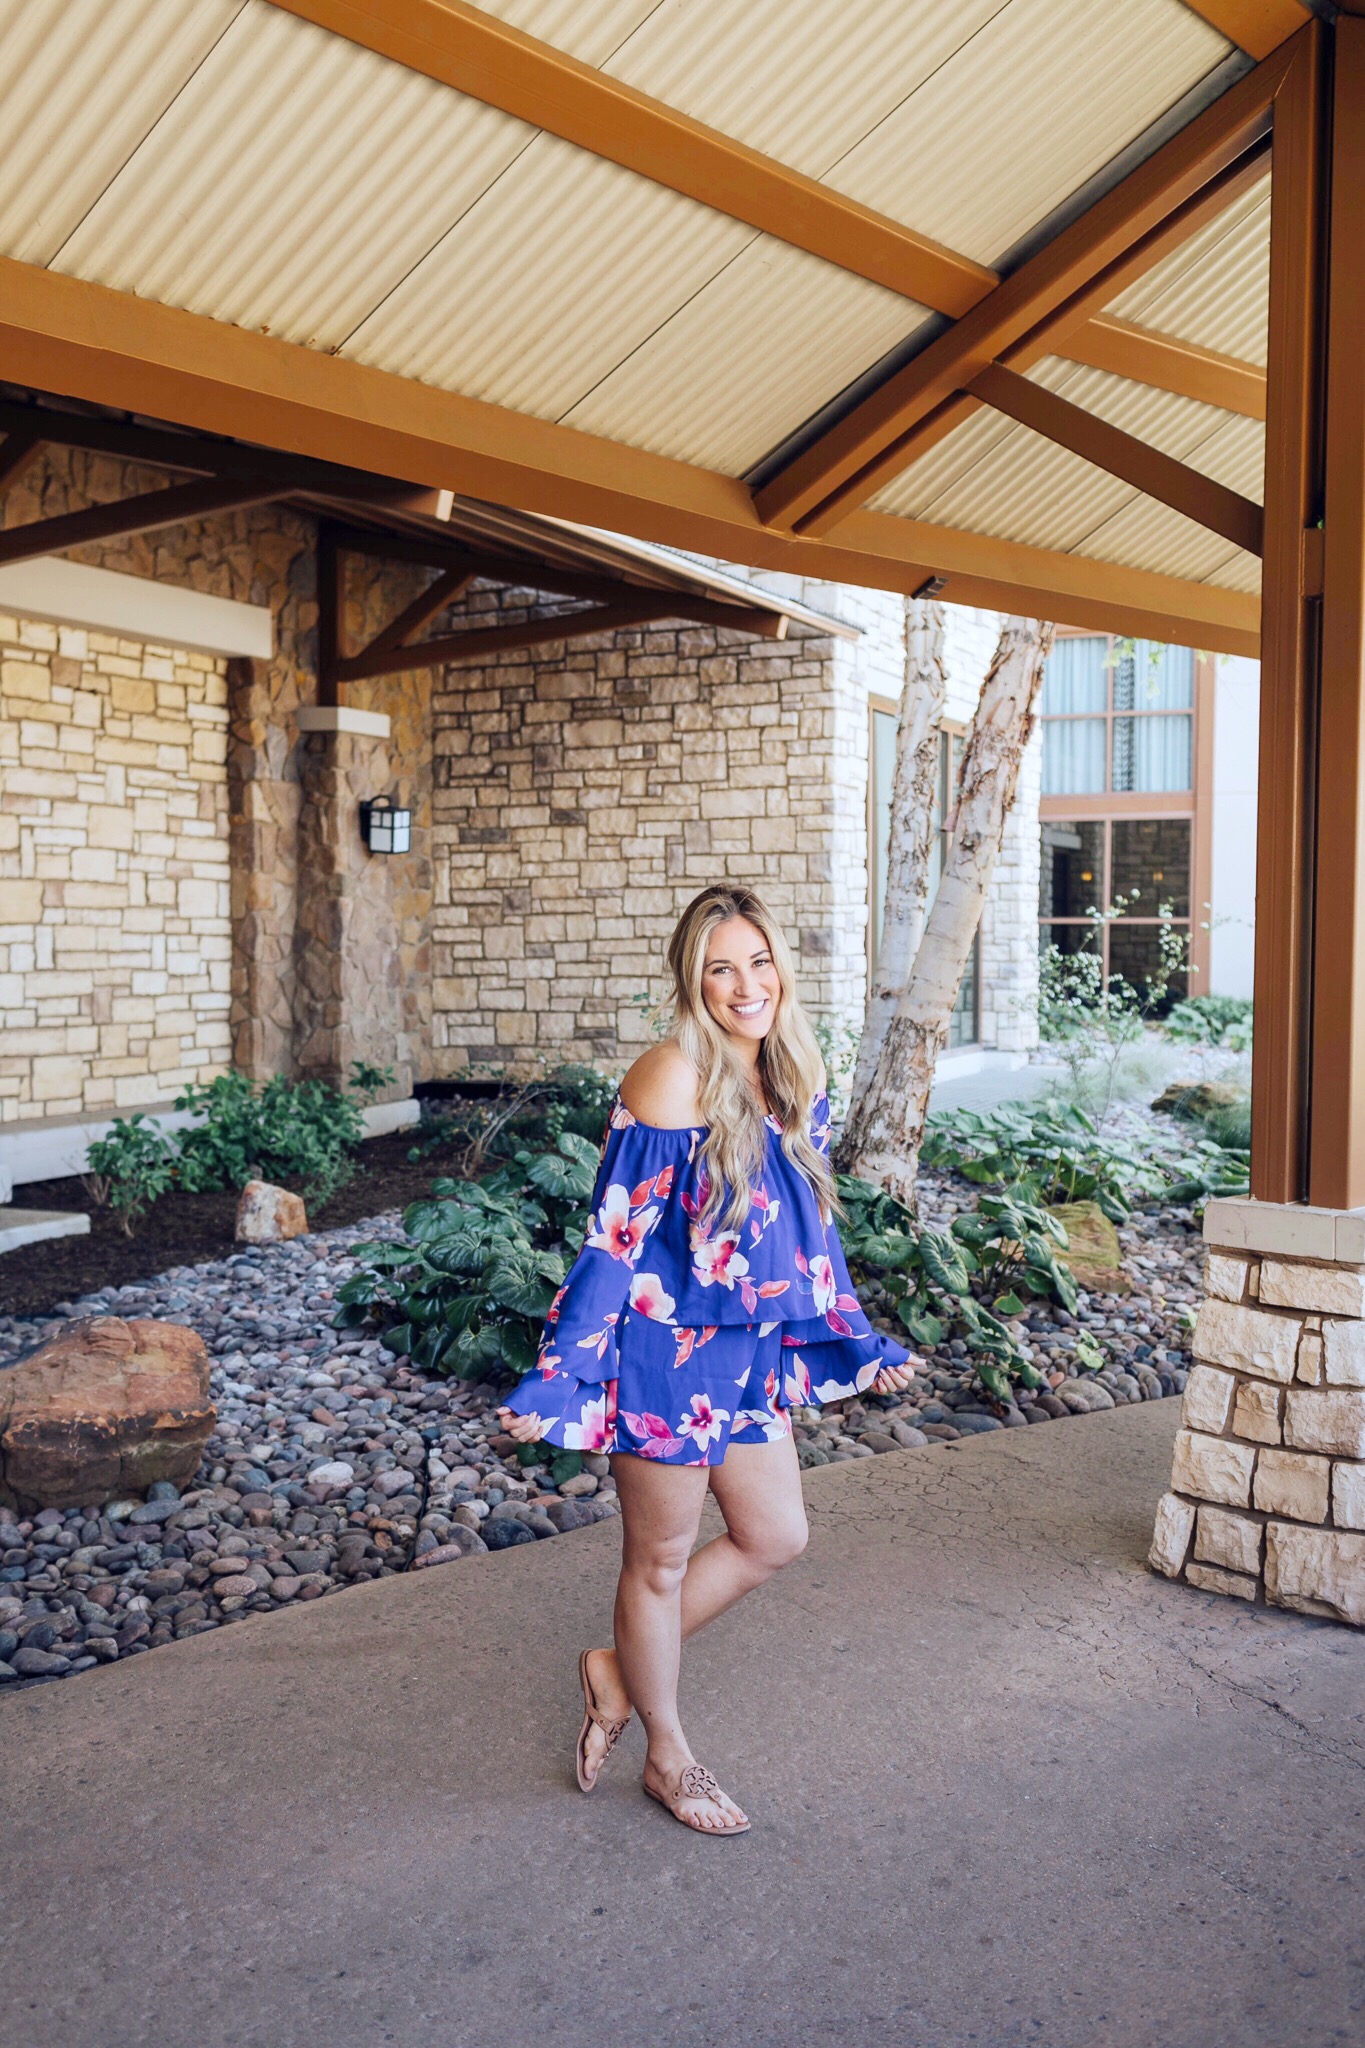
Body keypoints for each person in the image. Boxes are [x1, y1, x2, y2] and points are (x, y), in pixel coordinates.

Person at [497, 883, 917, 1836]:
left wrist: (856, 1338)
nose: (744, 985)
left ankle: (614, 1669)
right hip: (665, 1358)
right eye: (720, 969)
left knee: (776, 1536)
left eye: (757, 963)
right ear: (692, 981)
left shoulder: (782, 1076)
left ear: (780, 970)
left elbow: (803, 1239)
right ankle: (668, 1754)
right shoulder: (670, 1077)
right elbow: (614, 1242)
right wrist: (558, 1374)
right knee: (660, 1561)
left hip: (747, 1354)